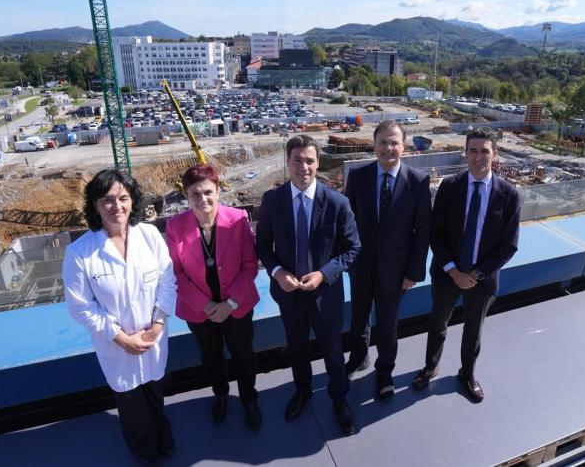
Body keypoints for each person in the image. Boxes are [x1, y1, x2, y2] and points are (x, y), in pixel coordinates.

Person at [63, 169, 177, 464]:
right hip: (116, 345)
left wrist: (157, 325)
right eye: (108, 200)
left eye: (123, 198)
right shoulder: (79, 253)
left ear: (133, 200)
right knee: (131, 402)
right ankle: (144, 449)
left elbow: (167, 284)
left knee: (155, 390)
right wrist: (121, 338)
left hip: (153, 337)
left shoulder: (149, 236)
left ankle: (163, 437)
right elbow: (80, 306)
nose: (117, 206)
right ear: (95, 205)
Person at [256, 135, 361, 435]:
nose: (304, 166)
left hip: (324, 295)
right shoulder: (272, 200)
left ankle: (339, 398)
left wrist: (323, 274)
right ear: (288, 162)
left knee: (333, 350)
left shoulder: (337, 202)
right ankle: (302, 390)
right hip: (288, 294)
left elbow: (352, 248)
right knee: (297, 348)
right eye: (297, 160)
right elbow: (262, 246)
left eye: (310, 160)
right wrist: (278, 272)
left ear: (318, 163)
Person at [412, 128, 521, 402]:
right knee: (438, 323)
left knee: (474, 330)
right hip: (447, 274)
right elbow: (436, 234)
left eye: (485, 151)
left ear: (495, 154)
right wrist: (453, 271)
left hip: (482, 280)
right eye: (473, 150)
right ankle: (430, 367)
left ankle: (467, 373)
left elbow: (509, 245)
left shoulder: (509, 195)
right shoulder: (449, 187)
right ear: (465, 153)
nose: (478, 157)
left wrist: (475, 274)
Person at [165, 164, 262, 432]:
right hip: (199, 310)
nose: (203, 199)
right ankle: (220, 394)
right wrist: (207, 306)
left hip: (237, 305)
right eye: (195, 194)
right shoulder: (175, 226)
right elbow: (176, 273)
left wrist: (230, 304)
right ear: (186, 196)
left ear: (218, 191)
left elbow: (249, 266)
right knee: (210, 357)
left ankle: (249, 398)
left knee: (244, 355)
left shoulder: (238, 219)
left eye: (208, 192)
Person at [344, 120, 431, 401]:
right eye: (383, 142)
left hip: (396, 271)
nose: (388, 148)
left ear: (403, 146)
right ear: (374, 145)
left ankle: (384, 371)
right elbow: (347, 223)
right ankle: (359, 358)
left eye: (394, 142)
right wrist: (347, 261)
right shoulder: (358, 176)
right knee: (358, 318)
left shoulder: (418, 181)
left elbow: (422, 232)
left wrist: (414, 272)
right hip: (361, 266)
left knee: (387, 324)